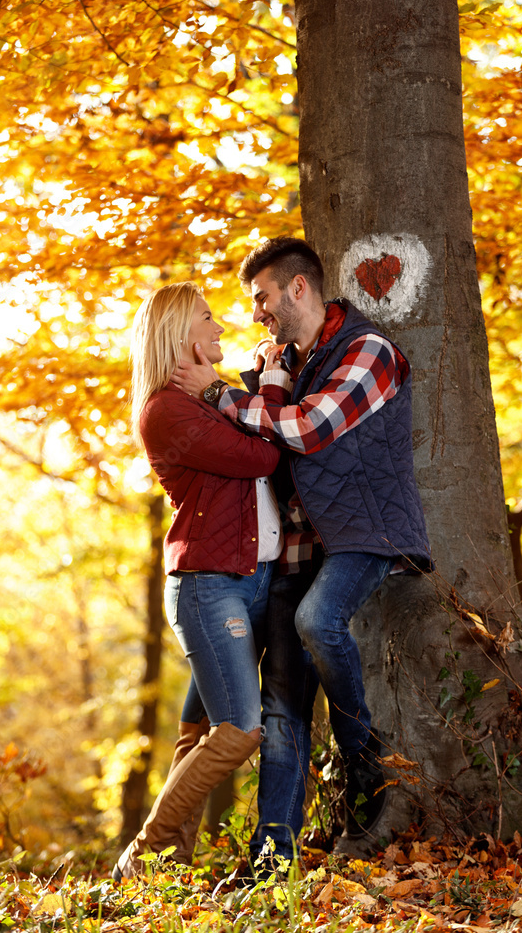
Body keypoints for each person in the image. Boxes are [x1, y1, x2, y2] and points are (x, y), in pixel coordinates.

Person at [171, 236, 433, 863]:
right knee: (281, 707)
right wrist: (262, 380)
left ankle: (365, 763)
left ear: (297, 288)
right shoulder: (289, 362)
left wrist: (217, 392)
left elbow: (309, 431)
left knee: (318, 620)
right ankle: (272, 855)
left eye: (262, 298)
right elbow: (258, 441)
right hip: (296, 549)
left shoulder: (368, 352)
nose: (256, 312)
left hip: (364, 534)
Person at [113, 281, 285, 881]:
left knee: (196, 736)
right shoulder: (166, 409)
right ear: (181, 333)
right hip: (210, 584)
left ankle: (165, 873)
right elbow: (265, 454)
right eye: (207, 317)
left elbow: (261, 421)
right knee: (239, 729)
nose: (219, 326)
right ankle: (144, 854)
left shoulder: (213, 395)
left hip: (251, 576)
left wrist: (246, 386)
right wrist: (243, 397)